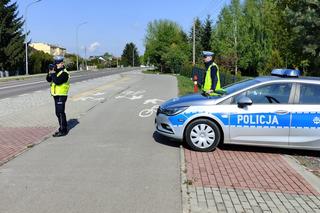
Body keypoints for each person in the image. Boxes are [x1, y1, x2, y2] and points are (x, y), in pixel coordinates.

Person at [46, 56, 70, 137]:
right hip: (56, 95)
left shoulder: (64, 73)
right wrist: (49, 72)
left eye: (58, 63)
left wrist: (53, 73)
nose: (56, 65)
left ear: (62, 63)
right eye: (55, 63)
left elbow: (57, 82)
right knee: (58, 113)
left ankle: (63, 130)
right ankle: (62, 128)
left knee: (60, 112)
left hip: (62, 95)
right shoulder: (56, 71)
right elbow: (49, 79)